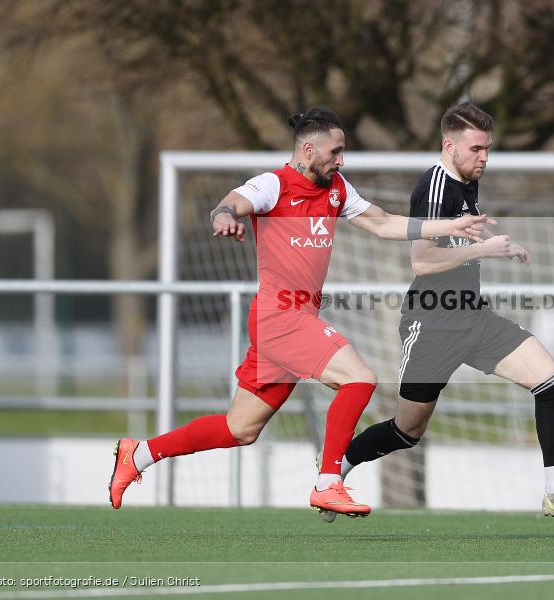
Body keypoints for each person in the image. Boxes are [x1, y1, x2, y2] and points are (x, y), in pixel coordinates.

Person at [108, 107, 492, 517]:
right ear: (308, 149)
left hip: (291, 320)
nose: (341, 160)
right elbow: (230, 204)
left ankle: (140, 454)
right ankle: (328, 482)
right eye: (336, 152)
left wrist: (446, 227)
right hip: (280, 316)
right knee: (360, 378)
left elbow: (382, 223)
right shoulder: (273, 185)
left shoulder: (337, 188)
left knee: (240, 428)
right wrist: (224, 217)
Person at [329, 101, 554, 522]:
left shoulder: (466, 181)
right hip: (433, 321)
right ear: (449, 145)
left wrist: (500, 247)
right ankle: (336, 469)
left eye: (488, 148)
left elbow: (460, 242)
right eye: (477, 148)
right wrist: (484, 250)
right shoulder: (434, 186)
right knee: (407, 430)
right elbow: (422, 262)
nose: (485, 157)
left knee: (551, 381)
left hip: (473, 316)